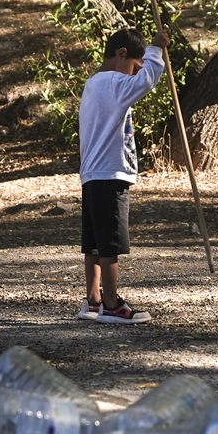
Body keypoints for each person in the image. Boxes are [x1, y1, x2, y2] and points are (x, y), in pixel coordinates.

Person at [77, 27, 168, 324]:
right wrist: (155, 50)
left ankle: (93, 301)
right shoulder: (116, 83)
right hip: (109, 174)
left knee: (93, 242)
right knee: (110, 244)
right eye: (134, 66)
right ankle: (113, 305)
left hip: (92, 175)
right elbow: (148, 80)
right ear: (121, 55)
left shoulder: (93, 84)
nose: (134, 74)